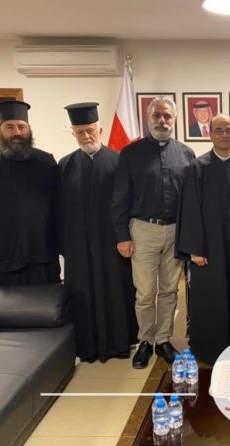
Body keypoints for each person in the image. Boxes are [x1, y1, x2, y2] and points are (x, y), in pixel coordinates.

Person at [112, 96, 195, 368]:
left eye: (167, 116)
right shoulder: (130, 153)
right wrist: (122, 236)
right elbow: (120, 197)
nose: (162, 120)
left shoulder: (186, 154)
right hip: (143, 231)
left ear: (175, 120)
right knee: (146, 293)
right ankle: (146, 340)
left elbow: (192, 199)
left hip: (176, 230)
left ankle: (163, 340)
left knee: (170, 291)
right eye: (157, 115)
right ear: (148, 118)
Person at [58, 102, 137, 363]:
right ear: (73, 133)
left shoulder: (119, 160)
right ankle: (88, 346)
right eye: (80, 132)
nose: (86, 136)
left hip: (112, 240)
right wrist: (64, 244)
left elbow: (128, 203)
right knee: (83, 291)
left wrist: (125, 236)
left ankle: (120, 342)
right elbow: (59, 208)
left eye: (90, 130)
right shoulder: (65, 165)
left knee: (116, 289)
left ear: (100, 130)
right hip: (79, 244)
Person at [176, 114, 230, 364]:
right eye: (219, 130)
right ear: (210, 134)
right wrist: (195, 249)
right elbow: (190, 209)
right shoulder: (197, 167)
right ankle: (209, 348)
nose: (224, 135)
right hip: (208, 247)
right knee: (211, 297)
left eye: (229, 130)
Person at [0, 100, 60, 285]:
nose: (16, 132)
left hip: (42, 252)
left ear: (29, 129)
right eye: (9, 127)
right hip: (3, 254)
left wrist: (63, 245)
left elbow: (59, 206)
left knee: (45, 301)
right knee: (5, 303)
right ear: (0, 130)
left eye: (21, 127)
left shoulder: (46, 162)